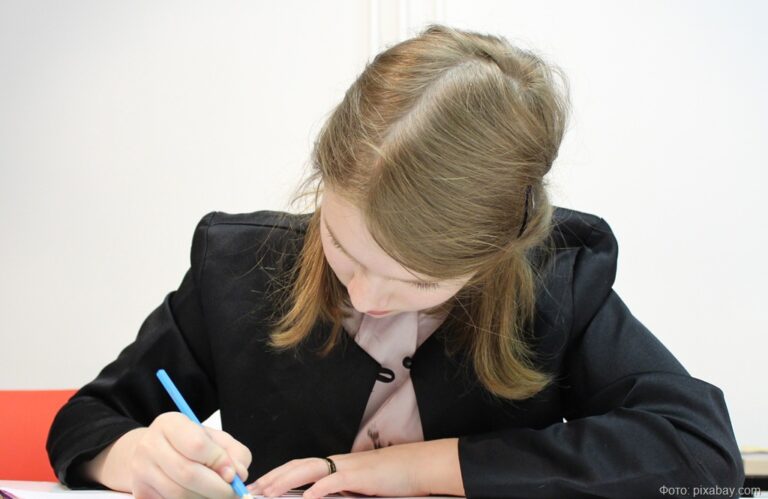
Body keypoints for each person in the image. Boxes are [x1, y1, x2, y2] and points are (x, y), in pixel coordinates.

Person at [46, 24, 744, 499]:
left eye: (419, 280)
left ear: (496, 252)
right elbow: (88, 418)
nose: (367, 296)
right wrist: (134, 455)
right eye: (344, 249)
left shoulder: (554, 282)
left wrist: (407, 471)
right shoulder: (238, 266)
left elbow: (701, 454)